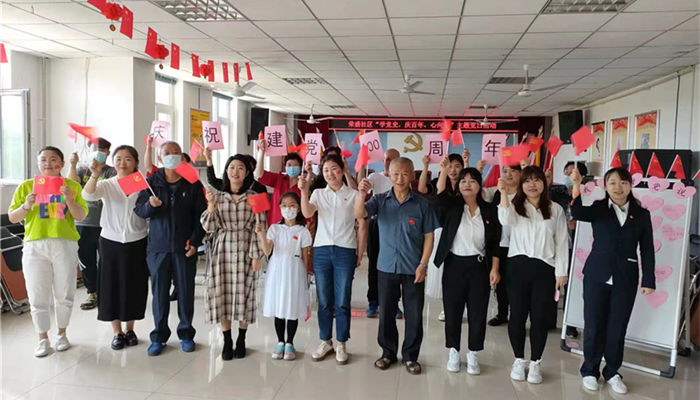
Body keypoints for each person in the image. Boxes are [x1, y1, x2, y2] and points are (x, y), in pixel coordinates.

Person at [570, 167, 655, 394]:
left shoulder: (641, 214)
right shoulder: (599, 208)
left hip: (625, 277)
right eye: (613, 183)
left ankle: (612, 372)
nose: (618, 187)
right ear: (605, 186)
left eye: (623, 182)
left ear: (630, 185)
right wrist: (577, 185)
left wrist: (648, 279)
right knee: (593, 324)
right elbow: (577, 212)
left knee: (617, 327)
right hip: (596, 275)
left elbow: (647, 249)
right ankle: (590, 370)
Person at [355, 157, 439, 375]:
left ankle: (411, 356)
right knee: (386, 313)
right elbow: (359, 214)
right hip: (386, 267)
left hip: (413, 268)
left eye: (404, 173)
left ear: (412, 175)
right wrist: (361, 194)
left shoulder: (422, 204)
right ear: (389, 175)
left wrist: (424, 264)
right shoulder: (380, 201)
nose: (400, 178)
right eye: (395, 173)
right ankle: (388, 353)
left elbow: (429, 236)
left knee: (414, 314)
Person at [8, 146, 88, 357]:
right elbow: (13, 217)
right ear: (38, 163)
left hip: (64, 243)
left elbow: (80, 216)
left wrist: (69, 199)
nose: (48, 163)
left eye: (53, 159)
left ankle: (62, 334)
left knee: (64, 292)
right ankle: (42, 338)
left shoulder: (72, 186)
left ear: (61, 163)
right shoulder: (27, 186)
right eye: (43, 159)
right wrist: (26, 206)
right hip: (35, 245)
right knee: (37, 293)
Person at [497, 166, 569, 384]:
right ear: (522, 185)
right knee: (517, 315)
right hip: (517, 267)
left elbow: (562, 241)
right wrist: (503, 193)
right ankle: (519, 360)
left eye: (537, 180)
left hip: (545, 268)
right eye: (527, 180)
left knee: (539, 317)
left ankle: (536, 362)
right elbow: (504, 220)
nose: (532, 184)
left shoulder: (555, 209)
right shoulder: (515, 205)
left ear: (544, 184)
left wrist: (561, 272)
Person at [134, 141, 206, 356]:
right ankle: (159, 336)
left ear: (182, 157)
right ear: (159, 157)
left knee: (185, 292)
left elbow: (201, 216)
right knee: (159, 294)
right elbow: (139, 211)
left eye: (176, 153)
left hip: (185, 247)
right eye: (167, 153)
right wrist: (150, 206)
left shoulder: (192, 183)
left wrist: (195, 242)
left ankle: (186, 334)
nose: (171, 156)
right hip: (158, 248)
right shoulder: (151, 182)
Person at [432, 163, 501, 374]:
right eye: (463, 181)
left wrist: (495, 269)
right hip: (454, 264)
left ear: (480, 185)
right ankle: (453, 350)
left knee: (478, 311)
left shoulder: (489, 210)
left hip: (479, 266)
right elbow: (439, 198)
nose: (467, 184)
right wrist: (444, 171)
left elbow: (495, 243)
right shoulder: (452, 207)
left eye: (472, 180)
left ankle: (473, 353)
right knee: (452, 310)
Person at [298, 154, 364, 365]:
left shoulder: (353, 194)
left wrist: (360, 251)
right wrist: (304, 190)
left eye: (334, 169)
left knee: (342, 300)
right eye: (325, 170)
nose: (329, 174)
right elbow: (307, 212)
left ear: (342, 170)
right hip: (322, 250)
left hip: (345, 249)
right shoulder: (318, 193)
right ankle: (325, 340)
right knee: (324, 299)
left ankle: (342, 342)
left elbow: (360, 218)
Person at [81, 145, 149, 350]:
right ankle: (117, 332)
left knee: (134, 285)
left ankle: (130, 329)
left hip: (137, 240)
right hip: (110, 241)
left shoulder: (143, 184)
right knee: (111, 285)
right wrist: (94, 175)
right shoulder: (107, 184)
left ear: (136, 162)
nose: (122, 163)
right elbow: (88, 196)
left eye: (128, 159)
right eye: (118, 158)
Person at [201, 154, 264, 360]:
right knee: (223, 294)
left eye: (240, 168)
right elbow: (209, 227)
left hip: (246, 248)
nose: (235, 171)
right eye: (232, 167)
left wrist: (257, 255)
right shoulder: (217, 196)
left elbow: (260, 227)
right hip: (223, 250)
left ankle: (242, 339)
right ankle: (227, 340)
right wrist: (211, 205)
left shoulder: (257, 196)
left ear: (247, 173)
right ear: (226, 172)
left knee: (245, 294)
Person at [255, 192, 312, 361]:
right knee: (279, 305)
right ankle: (280, 341)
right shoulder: (275, 229)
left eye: (292, 205)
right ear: (279, 208)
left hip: (295, 271)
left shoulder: (303, 231)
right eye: (285, 205)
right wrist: (261, 235)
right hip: (277, 270)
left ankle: (290, 343)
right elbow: (267, 251)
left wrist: (306, 278)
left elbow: (305, 257)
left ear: (298, 208)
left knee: (292, 306)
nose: (288, 209)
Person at [417, 150, 468, 321]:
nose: (453, 170)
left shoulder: (466, 186)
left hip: (461, 232)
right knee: (442, 272)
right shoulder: (439, 183)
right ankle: (447, 307)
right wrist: (427, 167)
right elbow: (423, 189)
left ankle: (461, 305)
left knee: (459, 271)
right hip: (441, 232)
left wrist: (468, 164)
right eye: (450, 166)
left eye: (457, 166)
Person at [68, 138, 116, 310]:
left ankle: (107, 292)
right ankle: (92, 292)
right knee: (86, 260)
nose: (97, 151)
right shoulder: (81, 169)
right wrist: (72, 165)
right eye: (94, 148)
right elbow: (72, 186)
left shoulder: (112, 171)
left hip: (106, 224)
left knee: (106, 260)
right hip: (82, 223)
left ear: (108, 152)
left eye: (101, 149)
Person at [358, 148, 401, 318]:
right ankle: (373, 301)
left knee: (394, 266)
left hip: (396, 226)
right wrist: (362, 165)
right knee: (374, 264)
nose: (388, 162)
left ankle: (393, 303)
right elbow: (361, 187)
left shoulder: (401, 179)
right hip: (377, 224)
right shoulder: (375, 177)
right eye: (386, 159)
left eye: (392, 159)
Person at [484, 165, 521, 327]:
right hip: (501, 243)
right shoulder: (498, 193)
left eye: (513, 171)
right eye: (505, 171)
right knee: (501, 282)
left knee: (518, 282)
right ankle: (502, 313)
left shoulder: (525, 194)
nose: (509, 174)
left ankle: (517, 315)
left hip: (520, 245)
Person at [255, 141, 304, 225]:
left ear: (300, 167)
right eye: (289, 165)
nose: (292, 167)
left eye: (295, 165)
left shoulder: (303, 184)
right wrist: (261, 152)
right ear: (285, 167)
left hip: (296, 226)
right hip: (275, 223)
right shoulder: (279, 178)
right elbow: (260, 175)